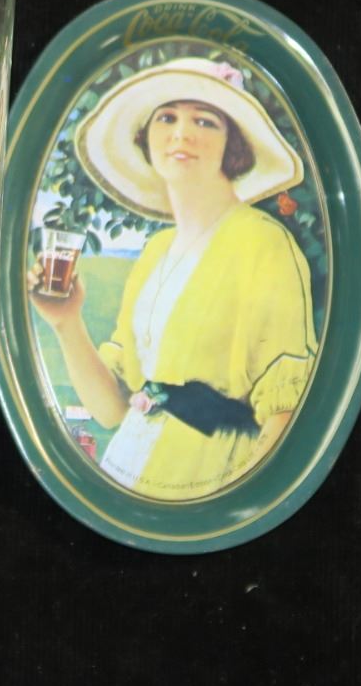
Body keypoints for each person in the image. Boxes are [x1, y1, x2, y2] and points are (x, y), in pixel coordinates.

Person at [28, 57, 317, 501]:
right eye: (167, 118)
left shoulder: (264, 242)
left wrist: (234, 504)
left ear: (233, 145)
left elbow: (286, 409)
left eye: (205, 121)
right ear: (146, 138)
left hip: (211, 478)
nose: (182, 134)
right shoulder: (156, 251)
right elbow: (111, 410)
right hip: (130, 469)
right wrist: (66, 321)